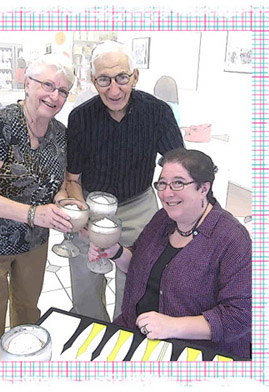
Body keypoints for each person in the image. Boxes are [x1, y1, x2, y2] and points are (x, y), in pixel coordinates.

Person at [0, 53, 76, 361]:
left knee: (27, 320)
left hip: (32, 243)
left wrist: (64, 204)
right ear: (27, 83)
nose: (55, 96)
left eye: (63, 90)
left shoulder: (60, 134)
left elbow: (58, 185)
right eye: (47, 85)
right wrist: (35, 214)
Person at [89, 148, 252, 359]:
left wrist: (172, 326)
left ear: (203, 188)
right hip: (136, 333)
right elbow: (138, 265)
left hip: (194, 351)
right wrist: (116, 251)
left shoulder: (232, 239)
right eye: (162, 183)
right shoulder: (162, 219)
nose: (166, 193)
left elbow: (240, 316)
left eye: (178, 183)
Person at [66, 40, 184, 322]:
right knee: (85, 285)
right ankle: (91, 332)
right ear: (93, 80)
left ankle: (124, 339)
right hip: (91, 204)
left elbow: (179, 166)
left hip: (139, 205)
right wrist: (82, 219)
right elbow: (72, 178)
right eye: (104, 80)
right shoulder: (80, 117)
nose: (114, 89)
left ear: (135, 76)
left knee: (135, 284)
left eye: (122, 78)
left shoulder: (157, 112)